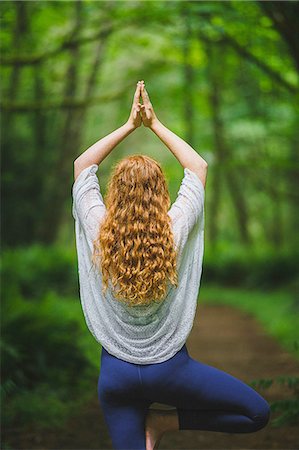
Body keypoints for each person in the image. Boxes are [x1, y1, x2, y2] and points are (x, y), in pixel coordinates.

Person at [72, 80, 270, 450]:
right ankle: (164, 422)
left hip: (115, 377)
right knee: (256, 413)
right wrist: (154, 123)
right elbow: (197, 165)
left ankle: (158, 422)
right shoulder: (173, 230)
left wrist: (129, 125)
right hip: (172, 372)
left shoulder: (99, 230)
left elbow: (83, 165)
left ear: (114, 191)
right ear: (161, 192)